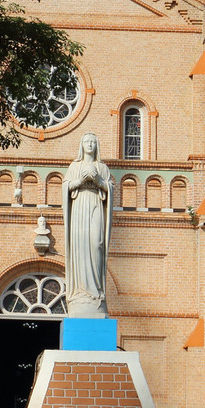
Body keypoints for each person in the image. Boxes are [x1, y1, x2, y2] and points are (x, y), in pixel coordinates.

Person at [62, 132, 113, 317]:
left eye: (93, 141)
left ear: (96, 145)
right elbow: (66, 186)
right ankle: (81, 292)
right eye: (86, 141)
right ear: (82, 145)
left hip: (95, 205)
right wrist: (80, 181)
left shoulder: (102, 167)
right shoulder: (75, 166)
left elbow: (110, 188)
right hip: (79, 206)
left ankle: (96, 290)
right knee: (81, 247)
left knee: (96, 244)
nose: (90, 144)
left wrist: (99, 181)